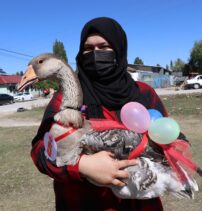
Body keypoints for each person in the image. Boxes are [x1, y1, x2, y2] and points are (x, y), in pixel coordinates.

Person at [31, 17, 169, 211]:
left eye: (104, 47)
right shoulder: (66, 99)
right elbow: (40, 151)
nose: (95, 54)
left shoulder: (144, 93)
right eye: (88, 49)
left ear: (119, 49)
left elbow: (168, 138)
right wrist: (82, 166)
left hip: (140, 204)